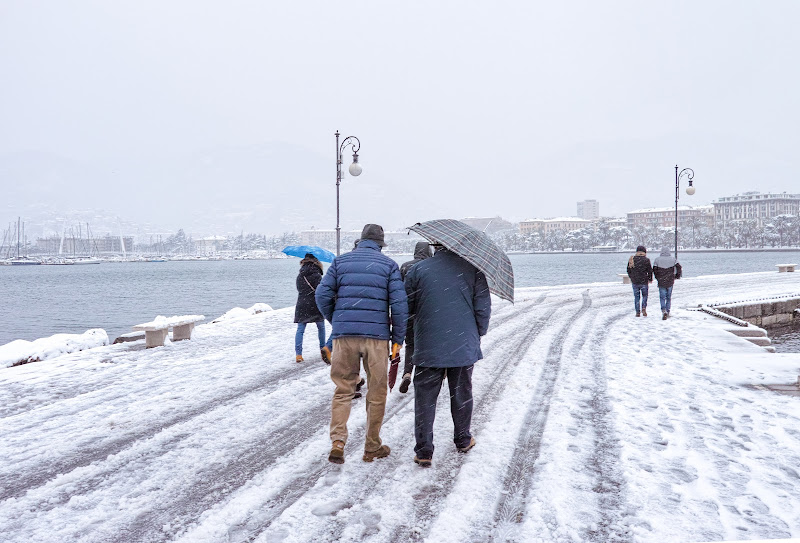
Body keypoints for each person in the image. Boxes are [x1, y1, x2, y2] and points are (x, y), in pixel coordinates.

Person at [315, 224, 408, 464]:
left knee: (343, 389)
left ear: (360, 241)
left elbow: (322, 295)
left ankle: (338, 441)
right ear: (380, 244)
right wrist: (398, 339)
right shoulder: (389, 266)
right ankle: (372, 446)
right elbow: (399, 306)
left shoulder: (340, 262)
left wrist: (337, 320)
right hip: (376, 339)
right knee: (377, 392)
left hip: (344, 337)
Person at [404, 244, 491, 467]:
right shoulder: (474, 270)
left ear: (436, 246)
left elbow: (407, 307)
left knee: (425, 398)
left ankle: (424, 450)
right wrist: (476, 333)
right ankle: (462, 439)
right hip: (462, 343)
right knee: (461, 393)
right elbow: (483, 309)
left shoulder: (418, 270)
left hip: (427, 343)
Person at [397, 241, 432, 394]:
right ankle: (423, 374)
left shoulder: (405, 266)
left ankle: (407, 373)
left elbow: (398, 290)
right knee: (427, 344)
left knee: (410, 344)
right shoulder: (431, 267)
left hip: (408, 312)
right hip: (427, 313)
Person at [294, 254, 329, 363]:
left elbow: (299, 289)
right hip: (315, 304)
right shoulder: (317, 275)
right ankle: (323, 349)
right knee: (321, 327)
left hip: (302, 303)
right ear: (316, 262)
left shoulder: (300, 275)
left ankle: (298, 354)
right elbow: (321, 290)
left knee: (300, 329)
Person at [652, 247, 683, 320]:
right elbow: (679, 267)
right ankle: (668, 311)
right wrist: (677, 276)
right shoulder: (673, 259)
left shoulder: (657, 260)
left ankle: (663, 310)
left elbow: (654, 270)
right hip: (670, 280)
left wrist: (658, 277)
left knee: (662, 297)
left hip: (661, 281)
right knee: (668, 297)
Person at [626, 245, 653, 317]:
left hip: (635, 281)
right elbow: (650, 271)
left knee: (636, 297)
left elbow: (628, 270)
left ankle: (637, 312)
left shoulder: (632, 259)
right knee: (645, 296)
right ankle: (643, 308)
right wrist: (650, 279)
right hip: (644, 281)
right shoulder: (646, 260)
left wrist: (632, 277)